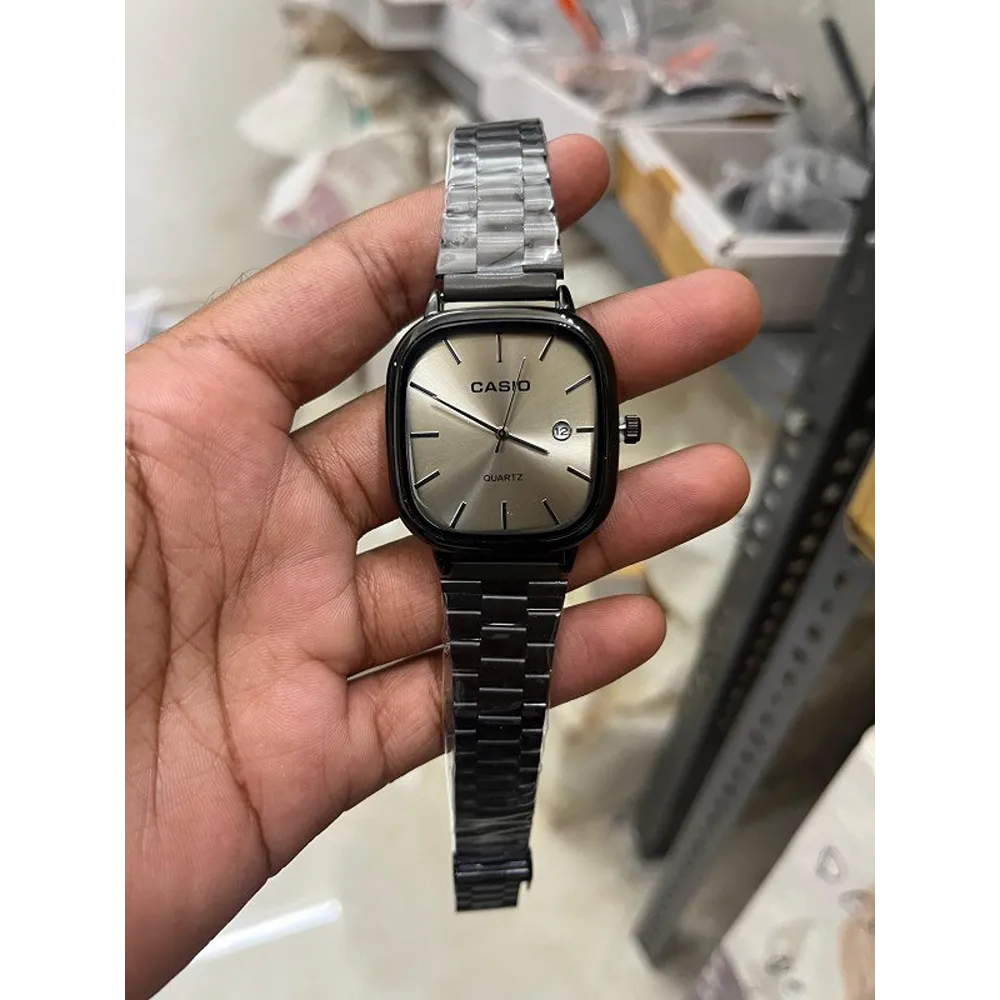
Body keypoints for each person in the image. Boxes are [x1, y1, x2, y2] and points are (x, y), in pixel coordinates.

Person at [122, 136, 760, 999]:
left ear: (615, 436)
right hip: (489, 534)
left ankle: (490, 855)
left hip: (506, 531)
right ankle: (492, 856)